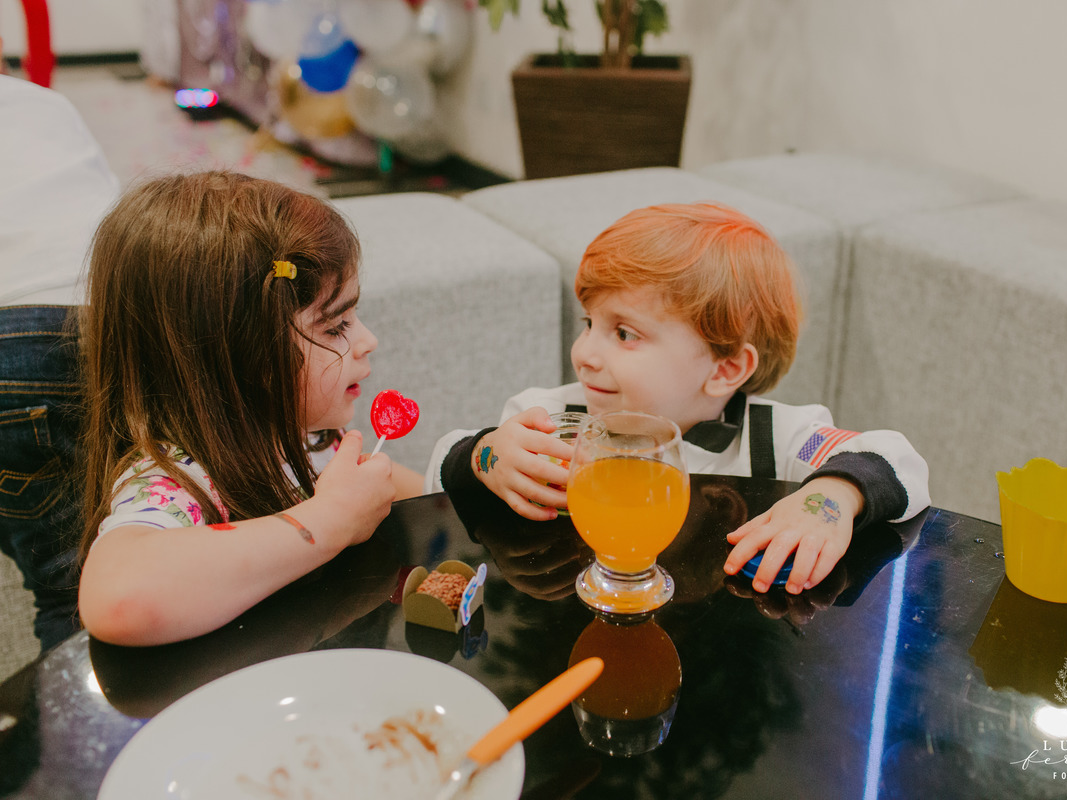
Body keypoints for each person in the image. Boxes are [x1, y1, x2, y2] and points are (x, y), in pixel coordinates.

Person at [426, 202, 929, 595]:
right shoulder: (550, 420)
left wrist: (833, 498)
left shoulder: (779, 438)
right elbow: (438, 481)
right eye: (590, 324)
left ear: (726, 368)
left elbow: (899, 460)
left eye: (624, 333)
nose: (584, 354)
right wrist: (483, 458)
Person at [76, 171, 423, 647]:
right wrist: (328, 522)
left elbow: (423, 498)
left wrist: (482, 461)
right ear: (248, 356)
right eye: (336, 326)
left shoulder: (310, 439)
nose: (368, 341)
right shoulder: (179, 482)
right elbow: (120, 600)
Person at [0, 72, 121, 652]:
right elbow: (122, 224)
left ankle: (92, 743)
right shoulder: (47, 105)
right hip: (102, 320)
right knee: (84, 565)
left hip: (21, 344)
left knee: (77, 591)